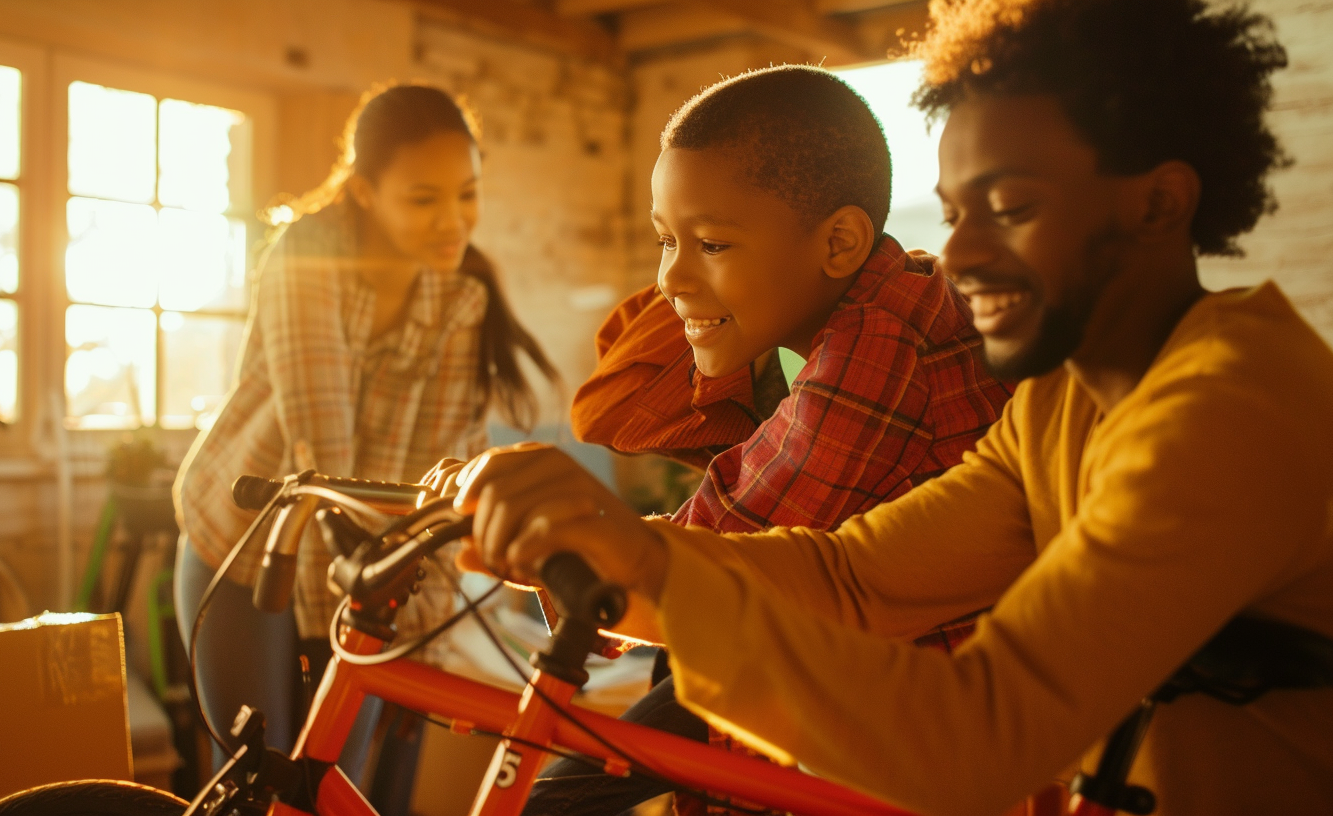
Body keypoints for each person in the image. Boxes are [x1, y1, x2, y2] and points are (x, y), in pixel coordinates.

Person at [452, 1, 1333, 814]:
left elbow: (983, 734)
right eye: (953, 213)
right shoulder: (1063, 401)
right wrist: (630, 551)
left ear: (1159, 203)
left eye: (1012, 208)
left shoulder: (1226, 404)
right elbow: (852, 580)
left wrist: (639, 557)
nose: (962, 253)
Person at [527, 65, 1011, 816]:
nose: (666, 279)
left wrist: (591, 570)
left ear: (843, 241)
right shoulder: (851, 307)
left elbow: (735, 533)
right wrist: (710, 284)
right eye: (663, 239)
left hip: (901, 735)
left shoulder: (883, 335)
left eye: (713, 242)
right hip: (839, 677)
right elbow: (612, 411)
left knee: (556, 803)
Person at [171, 84, 558, 784]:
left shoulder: (459, 298)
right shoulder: (305, 259)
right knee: (263, 784)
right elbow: (321, 457)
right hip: (245, 543)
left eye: (467, 194)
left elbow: (439, 483)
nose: (453, 221)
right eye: (423, 198)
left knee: (334, 785)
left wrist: (414, 641)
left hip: (358, 567)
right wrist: (352, 638)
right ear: (365, 191)